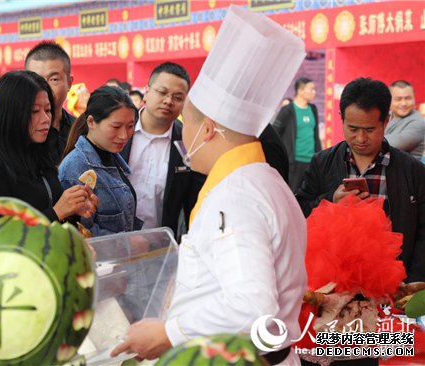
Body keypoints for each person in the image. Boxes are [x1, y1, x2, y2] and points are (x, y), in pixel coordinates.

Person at [112, 6, 307, 364]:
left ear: (208, 130)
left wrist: (169, 332)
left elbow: (251, 305)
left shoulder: (233, 197)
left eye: (185, 124)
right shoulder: (267, 181)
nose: (182, 136)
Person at [297, 77, 425, 283]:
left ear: (386, 121)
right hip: (334, 285)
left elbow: (422, 229)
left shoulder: (412, 170)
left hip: (393, 284)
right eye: (353, 129)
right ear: (342, 119)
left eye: (369, 130)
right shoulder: (322, 163)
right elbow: (299, 212)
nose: (360, 139)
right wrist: (330, 200)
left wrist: (414, 281)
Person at [0, 70, 98, 234]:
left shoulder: (41, 155)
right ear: (11, 114)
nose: (45, 119)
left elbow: (51, 210)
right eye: (34, 111)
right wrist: (57, 212)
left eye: (48, 110)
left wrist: (73, 209)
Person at [120, 62, 205, 239]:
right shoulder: (118, 128)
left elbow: (193, 202)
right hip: (112, 242)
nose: (168, 101)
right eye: (162, 92)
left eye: (178, 97)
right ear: (147, 91)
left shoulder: (188, 141)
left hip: (161, 249)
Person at [59, 86, 142, 236]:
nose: (124, 135)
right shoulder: (75, 168)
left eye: (130, 126)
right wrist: (126, 244)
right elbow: (78, 232)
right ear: (91, 122)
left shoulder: (112, 156)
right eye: (116, 126)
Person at [25, 41, 74, 161]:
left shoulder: (81, 131)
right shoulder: (18, 132)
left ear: (69, 83)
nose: (44, 87)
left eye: (54, 79)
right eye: (36, 79)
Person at [273, 77, 322, 192]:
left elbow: (315, 136)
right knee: (292, 193)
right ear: (300, 91)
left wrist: (319, 157)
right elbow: (275, 134)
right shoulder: (287, 111)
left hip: (311, 162)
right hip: (294, 163)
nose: (314, 92)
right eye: (311, 89)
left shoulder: (313, 109)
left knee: (310, 194)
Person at [385, 80, 425, 160]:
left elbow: (388, 145)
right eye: (398, 99)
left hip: (407, 171)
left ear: (414, 98)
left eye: (408, 98)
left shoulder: (419, 123)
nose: (403, 103)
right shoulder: (386, 115)